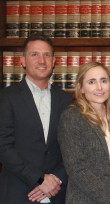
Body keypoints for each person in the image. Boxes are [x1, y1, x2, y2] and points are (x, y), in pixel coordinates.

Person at [0, 34, 72, 203]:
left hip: (57, 193)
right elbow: (3, 147)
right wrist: (39, 179)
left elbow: (71, 149)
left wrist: (56, 179)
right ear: (23, 61)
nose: (42, 61)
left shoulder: (66, 100)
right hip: (18, 193)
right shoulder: (6, 98)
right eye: (34, 55)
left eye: (47, 55)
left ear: (54, 61)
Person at [57, 62, 110, 204]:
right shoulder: (71, 117)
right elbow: (77, 169)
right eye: (91, 82)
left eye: (103, 81)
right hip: (86, 198)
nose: (99, 87)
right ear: (81, 88)